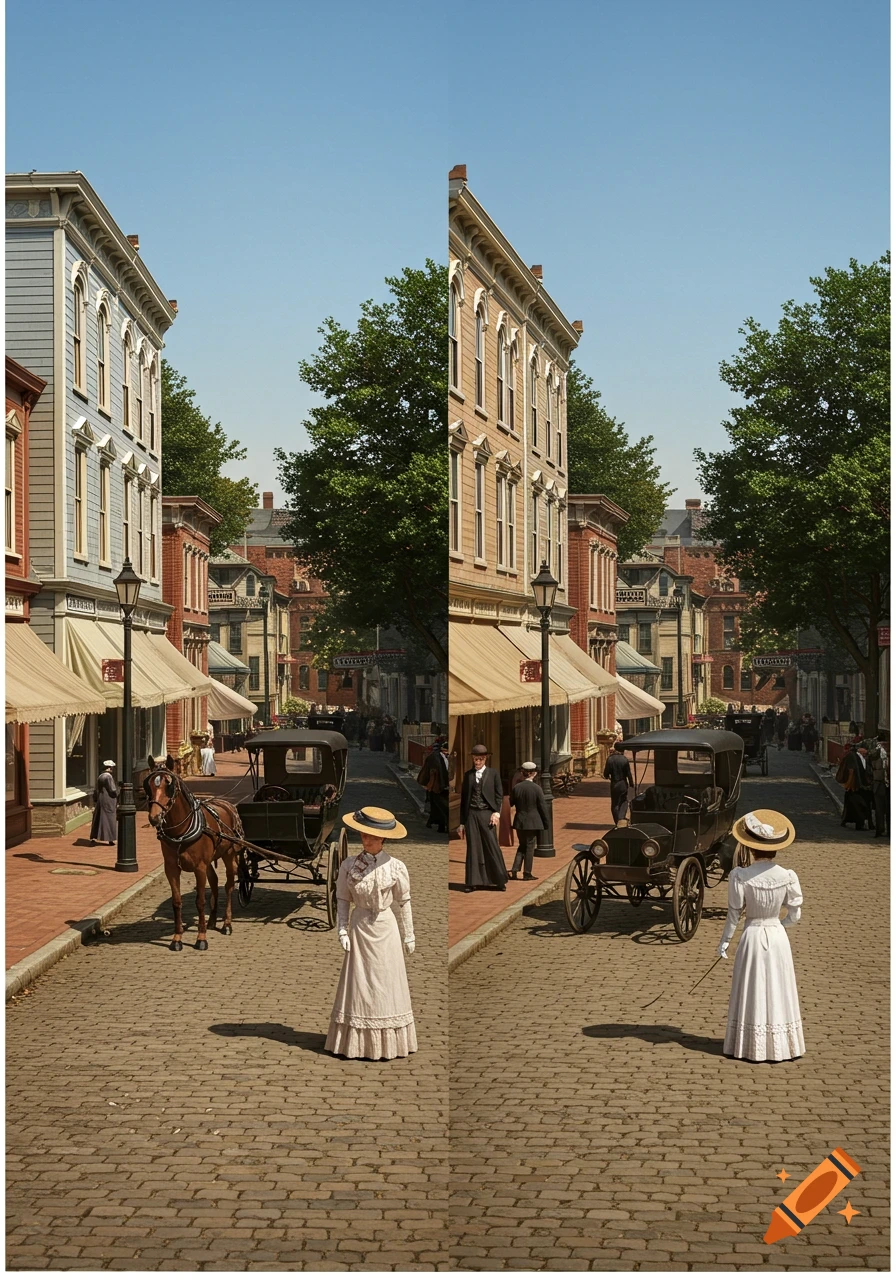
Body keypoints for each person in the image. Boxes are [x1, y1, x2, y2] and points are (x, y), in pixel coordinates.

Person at [325, 806, 416, 1060]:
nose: (368, 840)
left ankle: (389, 1041)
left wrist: (409, 935)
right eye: (364, 835)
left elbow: (404, 901)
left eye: (374, 837)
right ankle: (354, 1042)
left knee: (385, 982)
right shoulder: (348, 865)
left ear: (384, 839)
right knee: (361, 983)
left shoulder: (396, 867)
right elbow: (342, 898)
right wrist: (342, 929)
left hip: (386, 928)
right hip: (360, 927)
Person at [717, 809, 804, 1062]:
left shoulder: (740, 876)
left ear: (751, 848)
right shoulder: (787, 876)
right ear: (776, 848)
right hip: (776, 936)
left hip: (752, 935)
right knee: (778, 986)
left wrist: (724, 942)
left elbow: (734, 914)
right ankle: (781, 1046)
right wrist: (781, 925)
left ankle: (749, 1044)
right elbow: (795, 913)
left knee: (752, 986)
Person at [458, 745, 508, 893]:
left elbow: (499, 796)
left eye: (479, 759)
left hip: (487, 814)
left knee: (491, 845)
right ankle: (472, 882)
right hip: (471, 815)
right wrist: (461, 823)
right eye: (475, 759)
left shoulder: (493, 774)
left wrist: (496, 813)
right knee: (473, 847)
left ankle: (498, 880)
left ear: (485, 759)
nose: (477, 762)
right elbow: (464, 800)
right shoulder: (468, 776)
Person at [509, 762, 549, 881]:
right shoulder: (537, 788)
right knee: (530, 847)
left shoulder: (517, 788)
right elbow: (542, 807)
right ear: (534, 773)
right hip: (533, 821)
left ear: (523, 773)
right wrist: (546, 823)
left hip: (520, 820)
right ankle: (527, 872)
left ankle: (515, 869)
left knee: (522, 845)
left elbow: (511, 802)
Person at [837, 741, 873, 831]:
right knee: (858, 806)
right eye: (865, 749)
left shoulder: (864, 758)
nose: (866, 751)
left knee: (854, 806)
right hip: (854, 787)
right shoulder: (852, 756)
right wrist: (849, 784)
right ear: (860, 749)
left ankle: (854, 822)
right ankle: (858, 824)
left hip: (861, 786)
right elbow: (851, 771)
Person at [418, 740, 450, 834]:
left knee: (436, 807)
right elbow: (431, 773)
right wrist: (429, 786)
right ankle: (443, 827)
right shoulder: (434, 758)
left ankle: (437, 826)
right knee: (443, 808)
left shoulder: (447, 758)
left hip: (443, 787)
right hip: (436, 787)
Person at [603, 741, 634, 823]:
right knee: (624, 801)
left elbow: (605, 774)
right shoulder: (624, 759)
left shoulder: (610, 759)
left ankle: (617, 821)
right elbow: (628, 774)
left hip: (614, 783)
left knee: (615, 803)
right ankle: (621, 817)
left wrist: (607, 776)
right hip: (623, 783)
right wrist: (631, 784)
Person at [90, 760, 119, 846]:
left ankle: (94, 836)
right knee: (110, 818)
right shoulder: (108, 777)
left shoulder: (100, 776)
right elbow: (113, 790)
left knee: (98, 817)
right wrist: (118, 793)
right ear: (109, 768)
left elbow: (97, 789)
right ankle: (110, 838)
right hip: (109, 800)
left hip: (101, 799)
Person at [868, 730, 890, 838]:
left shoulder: (877, 750)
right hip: (886, 783)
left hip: (879, 783)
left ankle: (880, 830)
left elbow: (869, 759)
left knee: (880, 809)